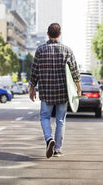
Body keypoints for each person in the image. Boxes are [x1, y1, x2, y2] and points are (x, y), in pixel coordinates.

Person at [29, 23, 81, 158]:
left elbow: (34, 71)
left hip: (46, 91)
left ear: (47, 34)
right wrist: (78, 89)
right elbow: (75, 71)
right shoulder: (67, 50)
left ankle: (48, 139)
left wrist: (32, 87)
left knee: (45, 117)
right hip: (63, 92)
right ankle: (57, 149)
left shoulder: (40, 50)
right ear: (60, 34)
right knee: (60, 120)